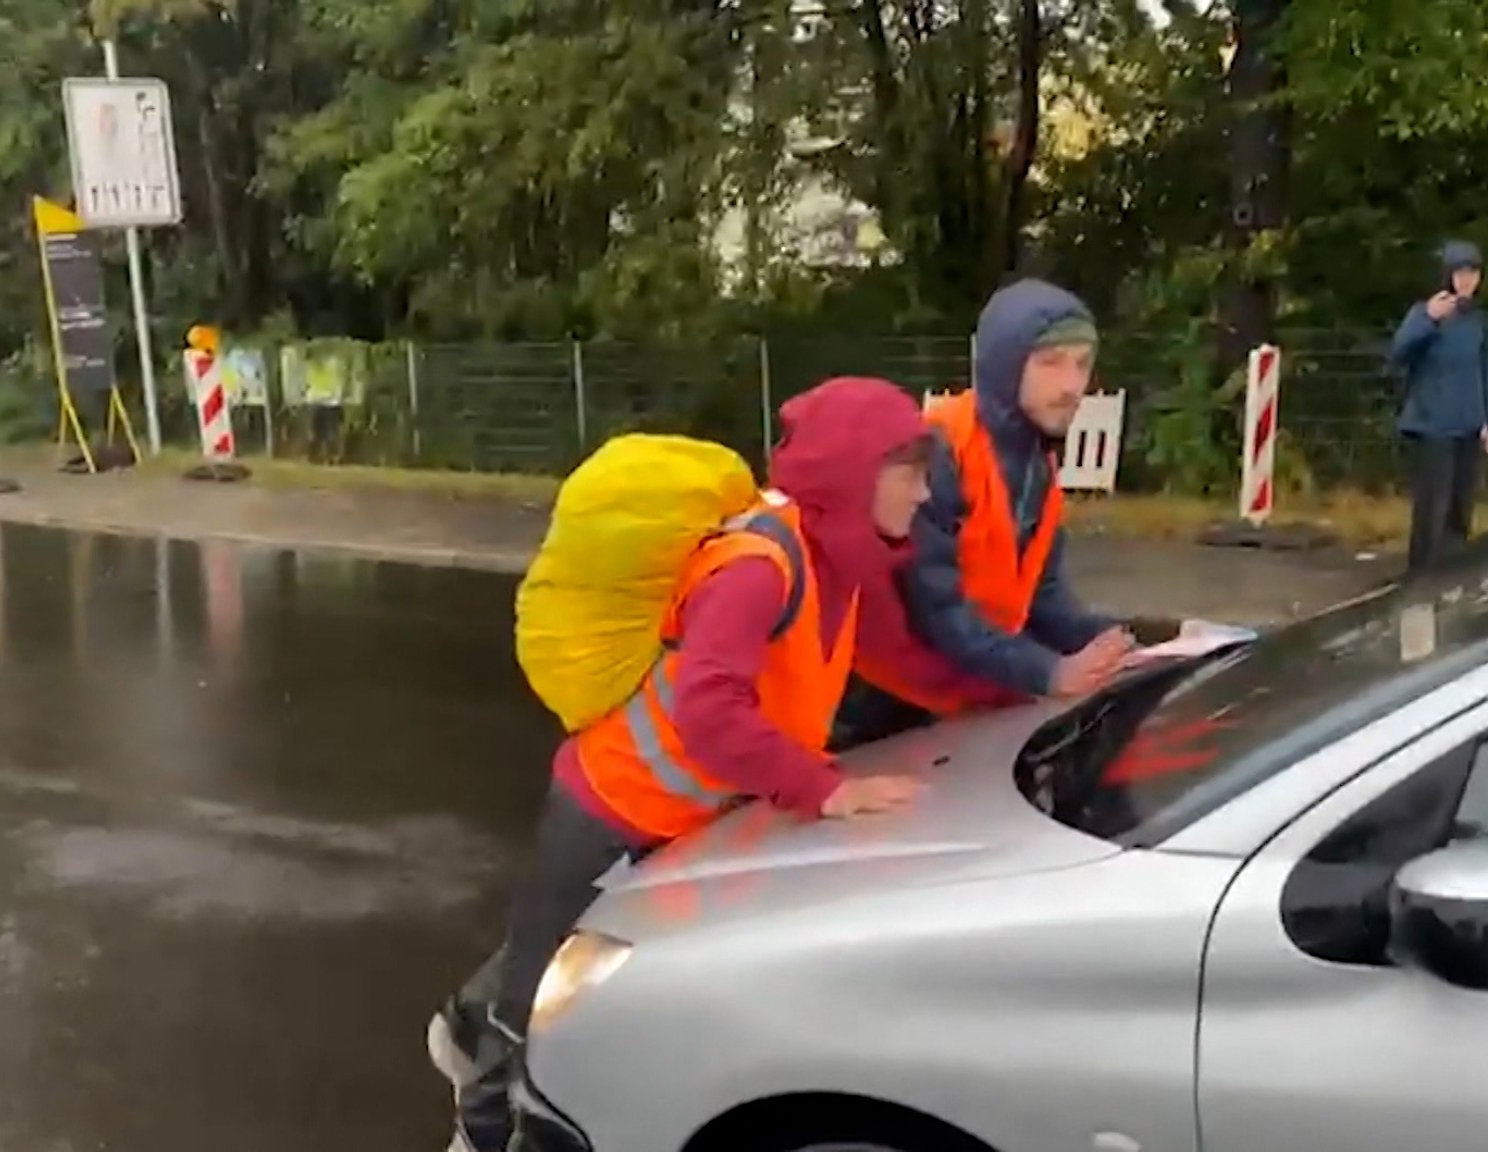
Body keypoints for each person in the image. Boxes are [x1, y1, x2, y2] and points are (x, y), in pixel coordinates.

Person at [426, 376, 940, 1152]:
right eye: (912, 472)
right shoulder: (762, 565)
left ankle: (471, 1038)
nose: (926, 493)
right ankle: (481, 1122)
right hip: (608, 812)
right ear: (858, 470)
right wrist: (824, 790)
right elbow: (708, 709)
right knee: (542, 1009)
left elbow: (885, 662)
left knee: (588, 980)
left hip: (679, 827)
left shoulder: (838, 559)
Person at [837, 280, 1136, 745]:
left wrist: (1117, 644)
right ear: (1004, 364)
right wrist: (1050, 672)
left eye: (1082, 364)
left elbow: (1042, 594)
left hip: (964, 687)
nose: (1073, 386)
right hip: (881, 706)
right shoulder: (940, 449)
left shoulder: (1038, 459)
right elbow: (939, 613)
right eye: (1051, 363)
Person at [1388, 240, 1488, 573]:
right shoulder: (1428, 312)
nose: (1467, 281)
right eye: (1460, 273)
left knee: (1460, 509)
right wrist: (1427, 319)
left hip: (1468, 426)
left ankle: (1453, 576)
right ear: (1447, 276)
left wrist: (1486, 423)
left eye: (1473, 273)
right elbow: (1397, 353)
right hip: (1432, 426)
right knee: (1431, 510)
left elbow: (1483, 373)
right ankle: (1420, 577)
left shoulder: (1478, 321)